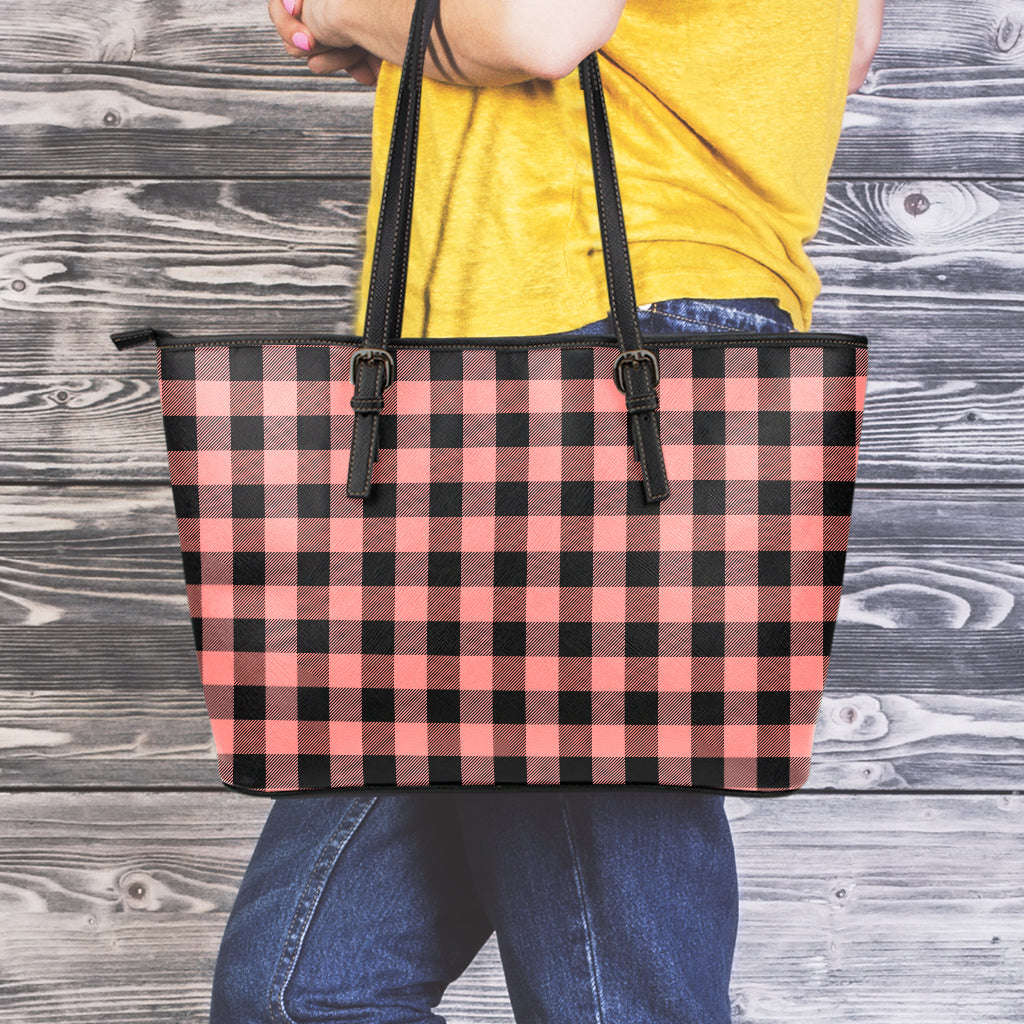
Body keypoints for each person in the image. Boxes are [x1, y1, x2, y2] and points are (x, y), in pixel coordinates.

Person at [210, 2, 884, 1022]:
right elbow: (837, 48)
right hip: (518, 376)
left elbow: (533, 27)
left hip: (586, 350)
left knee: (609, 995)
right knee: (301, 993)